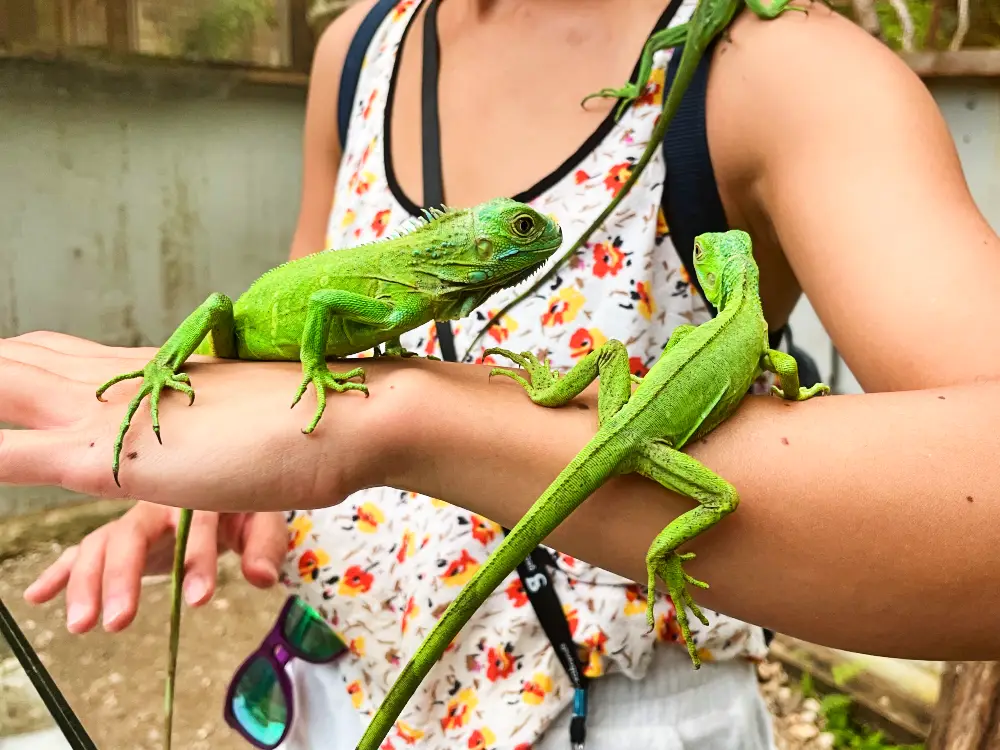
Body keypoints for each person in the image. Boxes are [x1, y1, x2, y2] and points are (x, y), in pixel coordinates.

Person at [7, 0, 1000, 747]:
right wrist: (215, 464)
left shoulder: (778, 66)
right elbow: (294, 313)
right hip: (334, 689)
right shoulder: (356, 50)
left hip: (611, 711)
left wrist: (410, 426)